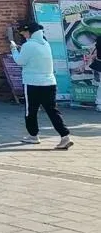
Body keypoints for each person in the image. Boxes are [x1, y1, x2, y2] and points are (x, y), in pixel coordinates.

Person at [11, 20, 73, 149]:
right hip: (49, 82)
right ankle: (65, 136)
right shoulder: (45, 44)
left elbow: (20, 61)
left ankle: (33, 135)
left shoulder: (28, 45)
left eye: (24, 32)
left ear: (30, 32)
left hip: (32, 83)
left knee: (31, 111)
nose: (23, 35)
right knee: (52, 110)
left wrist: (14, 50)